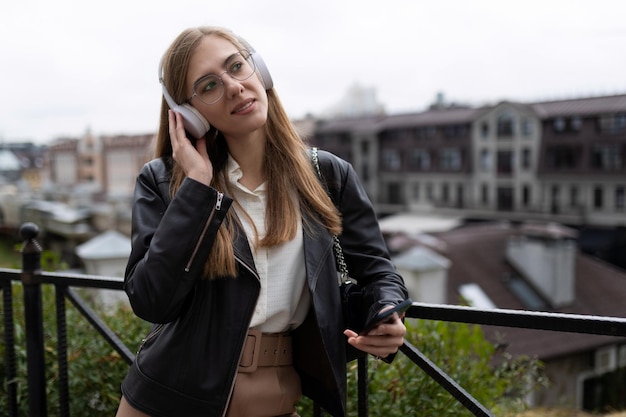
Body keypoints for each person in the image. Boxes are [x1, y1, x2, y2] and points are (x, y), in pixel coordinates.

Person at [115, 26, 408, 417]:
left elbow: (379, 272)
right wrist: (197, 191)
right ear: (188, 114)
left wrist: (388, 314)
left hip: (275, 396)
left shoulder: (329, 175)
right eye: (208, 86)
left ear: (260, 71)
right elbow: (151, 299)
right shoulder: (165, 182)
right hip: (169, 399)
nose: (234, 87)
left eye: (237, 67)